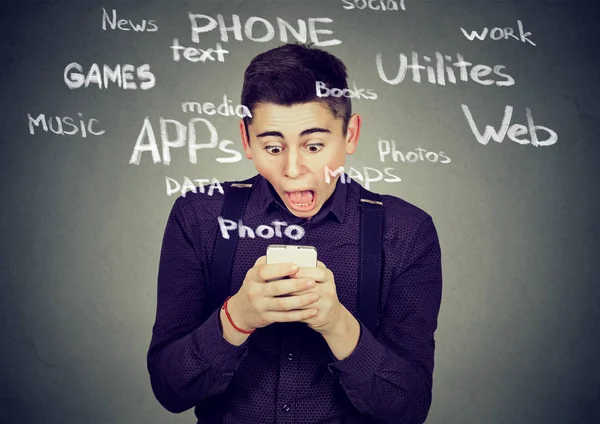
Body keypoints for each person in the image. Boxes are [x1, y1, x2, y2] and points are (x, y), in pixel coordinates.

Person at [147, 43, 442, 424]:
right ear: (245, 138)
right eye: (272, 146)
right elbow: (169, 391)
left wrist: (338, 324)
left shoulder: (406, 231)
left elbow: (410, 408)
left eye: (314, 145)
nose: (293, 168)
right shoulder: (199, 217)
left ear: (350, 134)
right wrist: (236, 318)